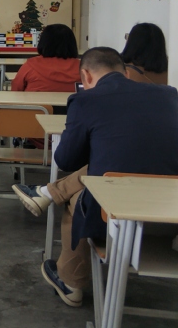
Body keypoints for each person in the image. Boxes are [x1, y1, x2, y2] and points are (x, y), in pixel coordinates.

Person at [27, 48, 178, 307]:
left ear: (85, 76)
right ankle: (47, 193)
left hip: (113, 218)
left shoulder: (85, 100)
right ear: (126, 73)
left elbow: (66, 160)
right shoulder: (169, 94)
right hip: (169, 217)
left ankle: (71, 282)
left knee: (77, 199)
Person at [13, 22, 170, 219]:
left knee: (102, 160)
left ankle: (49, 193)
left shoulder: (37, 69)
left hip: (39, 136)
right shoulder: (169, 89)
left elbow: (16, 92)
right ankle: (48, 192)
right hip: (165, 175)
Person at [10, 24, 79, 92]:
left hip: (34, 99)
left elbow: (16, 89)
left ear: (43, 42)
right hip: (72, 100)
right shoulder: (82, 68)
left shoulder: (30, 65)